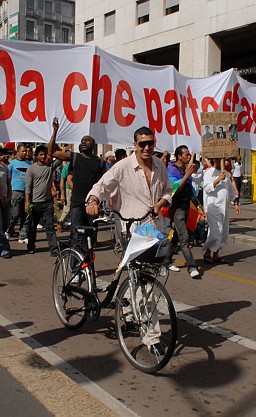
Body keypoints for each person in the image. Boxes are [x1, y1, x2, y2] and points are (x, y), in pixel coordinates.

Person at [86, 126, 172, 356]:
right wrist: (93, 200)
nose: (146, 147)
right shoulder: (123, 167)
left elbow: (168, 191)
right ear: (135, 144)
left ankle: (126, 305)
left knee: (145, 281)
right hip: (129, 231)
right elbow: (102, 186)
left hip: (153, 232)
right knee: (144, 285)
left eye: (150, 143)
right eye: (142, 143)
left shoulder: (160, 166)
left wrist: (160, 204)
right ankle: (152, 337)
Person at [47, 118, 105, 249]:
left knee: (91, 236)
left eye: (87, 140)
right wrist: (55, 132)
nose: (83, 142)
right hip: (77, 203)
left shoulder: (100, 162)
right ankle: (74, 267)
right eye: (82, 140)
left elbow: (104, 183)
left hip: (92, 204)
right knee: (76, 236)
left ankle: (88, 265)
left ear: (93, 144)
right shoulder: (75, 157)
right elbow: (51, 152)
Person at [165, 146, 203, 278]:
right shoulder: (171, 170)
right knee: (184, 237)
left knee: (176, 236)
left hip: (187, 206)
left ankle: (166, 261)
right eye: (186, 155)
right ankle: (192, 266)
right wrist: (187, 175)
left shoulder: (185, 169)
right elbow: (174, 190)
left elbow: (190, 190)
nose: (189, 157)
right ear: (179, 156)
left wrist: (198, 206)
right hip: (176, 208)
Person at [25, 145, 61, 256]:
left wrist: (54, 143)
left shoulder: (50, 166)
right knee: (32, 227)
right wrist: (27, 202)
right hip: (35, 203)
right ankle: (31, 246)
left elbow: (61, 157)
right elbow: (28, 187)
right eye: (41, 154)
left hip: (48, 203)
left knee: (50, 227)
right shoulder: (31, 169)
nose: (43, 156)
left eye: (45, 154)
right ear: (36, 156)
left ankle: (54, 249)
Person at [203, 158, 240, 264]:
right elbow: (207, 189)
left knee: (223, 231)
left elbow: (230, 190)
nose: (224, 163)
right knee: (216, 231)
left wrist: (235, 203)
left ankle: (215, 254)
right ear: (215, 160)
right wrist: (218, 179)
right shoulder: (209, 173)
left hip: (224, 206)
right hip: (213, 206)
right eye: (221, 160)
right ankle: (207, 253)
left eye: (225, 160)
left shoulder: (226, 174)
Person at [7, 143, 32, 243]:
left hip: (27, 192)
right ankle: (8, 230)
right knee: (15, 214)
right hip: (15, 191)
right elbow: (7, 178)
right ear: (17, 152)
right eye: (23, 151)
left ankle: (23, 235)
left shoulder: (29, 164)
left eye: (26, 151)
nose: (25, 153)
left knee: (26, 215)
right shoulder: (12, 164)